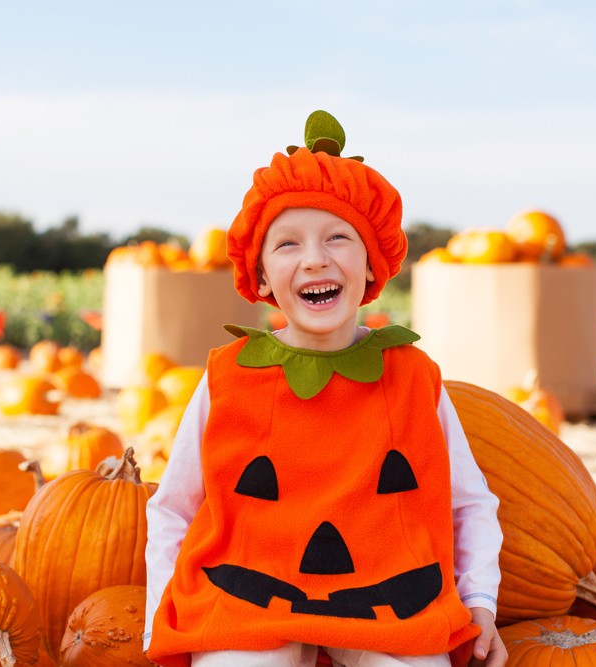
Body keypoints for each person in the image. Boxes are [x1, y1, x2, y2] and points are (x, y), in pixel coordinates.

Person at [143, 111, 506, 667]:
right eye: (287, 244)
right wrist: (158, 621)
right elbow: (173, 507)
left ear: (371, 263)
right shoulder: (229, 376)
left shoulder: (412, 376)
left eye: (338, 236)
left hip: (391, 591)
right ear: (261, 276)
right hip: (249, 591)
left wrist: (480, 598)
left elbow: (469, 502)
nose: (315, 258)